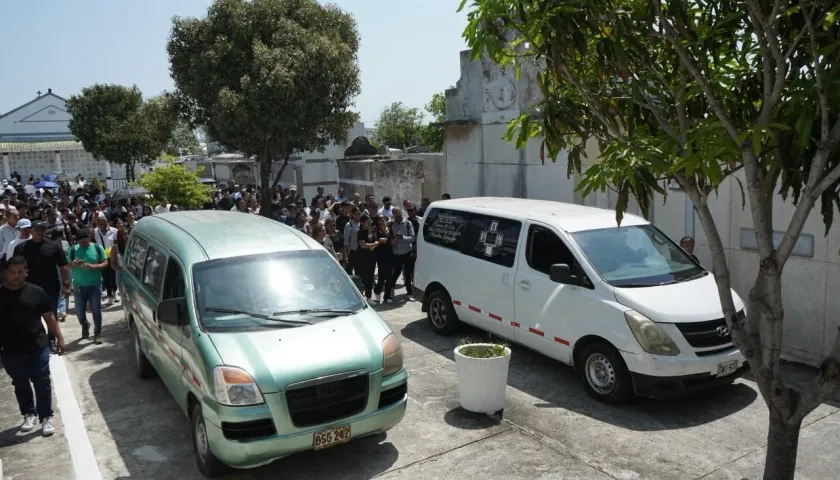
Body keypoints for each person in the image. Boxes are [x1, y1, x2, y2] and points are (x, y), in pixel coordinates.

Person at [0, 256, 66, 436]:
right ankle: (29, 413)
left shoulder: (36, 292)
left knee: (42, 381)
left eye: (20, 271)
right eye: (12, 272)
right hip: (10, 350)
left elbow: (49, 316)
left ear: (26, 272)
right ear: (5, 273)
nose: (16, 275)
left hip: (37, 346)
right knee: (20, 384)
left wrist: (59, 338)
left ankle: (46, 417)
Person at [14, 221, 71, 353]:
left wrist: (66, 285)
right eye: (37, 229)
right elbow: (16, 268)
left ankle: (51, 339)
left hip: (50, 288)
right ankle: (33, 340)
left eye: (42, 230)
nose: (40, 232)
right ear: (31, 231)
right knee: (30, 316)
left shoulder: (54, 247)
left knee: (51, 315)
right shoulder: (21, 248)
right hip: (28, 289)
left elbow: (63, 266)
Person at [68, 229, 108, 345]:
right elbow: (67, 267)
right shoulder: (73, 250)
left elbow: (105, 263)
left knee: (96, 310)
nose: (83, 244)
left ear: (89, 238)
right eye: (81, 242)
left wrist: (93, 266)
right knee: (79, 311)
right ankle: (84, 323)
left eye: (85, 241)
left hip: (95, 285)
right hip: (79, 286)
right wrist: (73, 264)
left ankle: (97, 332)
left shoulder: (97, 247)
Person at [389, 207, 415, 301]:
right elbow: (390, 240)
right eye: (395, 213)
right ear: (393, 214)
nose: (397, 214)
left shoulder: (408, 223)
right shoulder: (391, 224)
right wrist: (396, 237)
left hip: (407, 252)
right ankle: (391, 289)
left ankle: (409, 293)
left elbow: (412, 238)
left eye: (399, 212)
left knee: (408, 274)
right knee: (396, 272)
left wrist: (403, 237)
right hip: (396, 253)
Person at [94, 216, 119, 305]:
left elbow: (117, 243)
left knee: (113, 275)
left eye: (104, 223)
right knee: (106, 276)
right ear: (98, 224)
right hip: (102, 257)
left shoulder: (114, 231)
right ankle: (109, 295)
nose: (103, 226)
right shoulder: (95, 232)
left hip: (112, 256)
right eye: (101, 224)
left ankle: (115, 292)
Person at [372, 215, 395, 304]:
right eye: (380, 219)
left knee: (389, 275)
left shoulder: (390, 229)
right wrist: (379, 240)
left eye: (384, 218)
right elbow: (374, 241)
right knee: (382, 275)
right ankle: (377, 290)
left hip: (389, 254)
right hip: (380, 255)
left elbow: (392, 242)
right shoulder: (376, 230)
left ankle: (387, 296)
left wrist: (397, 237)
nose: (382, 220)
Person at [355, 214, 376, 300]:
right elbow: (363, 245)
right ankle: (359, 297)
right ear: (362, 223)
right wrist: (376, 243)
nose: (369, 223)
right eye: (368, 222)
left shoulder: (371, 231)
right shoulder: (360, 232)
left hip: (371, 257)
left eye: (370, 222)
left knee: (370, 278)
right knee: (361, 278)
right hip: (362, 258)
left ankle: (369, 297)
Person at [343, 207, 361, 275]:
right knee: (350, 271)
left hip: (361, 250)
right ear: (352, 214)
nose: (358, 216)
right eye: (357, 214)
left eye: (359, 214)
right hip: (352, 251)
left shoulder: (361, 224)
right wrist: (346, 254)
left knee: (359, 271)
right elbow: (346, 240)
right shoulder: (349, 224)